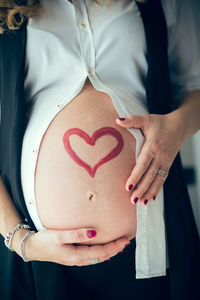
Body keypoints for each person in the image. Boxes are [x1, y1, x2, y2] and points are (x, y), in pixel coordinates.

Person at [0, 0, 199, 299]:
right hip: (41, 250)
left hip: (149, 245)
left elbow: (195, 85)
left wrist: (176, 128)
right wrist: (21, 241)